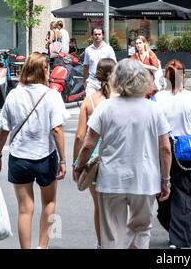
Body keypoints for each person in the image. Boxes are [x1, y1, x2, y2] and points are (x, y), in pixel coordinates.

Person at [74, 59, 172, 249]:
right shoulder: (153, 109)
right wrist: (165, 180)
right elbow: (165, 149)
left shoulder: (106, 107)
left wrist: (79, 167)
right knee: (141, 229)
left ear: (117, 79)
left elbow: (88, 144)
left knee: (112, 235)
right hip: (145, 180)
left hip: (111, 180)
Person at [0, 52, 69, 249]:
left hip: (19, 158)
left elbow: (4, 129)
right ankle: (42, 246)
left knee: (25, 209)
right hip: (45, 157)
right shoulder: (52, 95)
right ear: (43, 70)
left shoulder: (14, 95)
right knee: (49, 202)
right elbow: (57, 129)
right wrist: (63, 159)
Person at [155, 59, 191, 249]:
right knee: (188, 196)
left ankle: (174, 232)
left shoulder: (158, 98)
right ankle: (179, 240)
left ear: (166, 77)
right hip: (188, 152)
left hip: (164, 149)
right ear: (184, 76)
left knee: (164, 193)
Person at [72, 58, 116, 249]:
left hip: (94, 162)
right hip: (116, 156)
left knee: (99, 206)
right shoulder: (121, 99)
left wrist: (76, 164)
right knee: (117, 206)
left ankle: (101, 244)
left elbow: (80, 136)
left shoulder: (89, 102)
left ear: (96, 74)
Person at [83, 27, 117, 96]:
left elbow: (114, 65)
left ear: (102, 35)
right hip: (91, 82)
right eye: (95, 34)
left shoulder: (109, 49)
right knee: (91, 102)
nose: (97, 36)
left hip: (105, 81)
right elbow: (86, 66)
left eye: (99, 34)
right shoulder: (88, 50)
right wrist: (84, 81)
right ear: (92, 36)